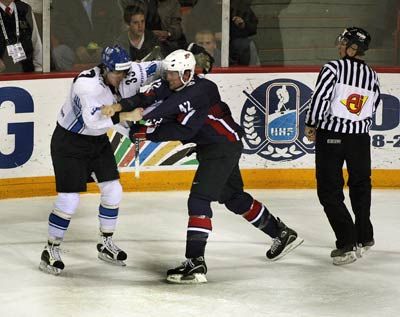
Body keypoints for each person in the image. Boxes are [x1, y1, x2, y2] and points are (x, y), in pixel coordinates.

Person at [108, 49, 303, 284]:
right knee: (233, 197)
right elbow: (147, 97)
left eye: (173, 74)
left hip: (221, 148)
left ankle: (195, 262)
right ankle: (281, 233)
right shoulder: (173, 84)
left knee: (199, 200)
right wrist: (121, 108)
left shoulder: (203, 90)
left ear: (188, 73)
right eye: (168, 73)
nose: (168, 77)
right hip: (218, 147)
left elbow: (180, 125)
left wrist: (143, 126)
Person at [39, 45, 146, 276]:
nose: (122, 78)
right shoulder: (86, 85)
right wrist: (127, 115)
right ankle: (51, 249)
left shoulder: (121, 76)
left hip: (97, 143)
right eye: (118, 73)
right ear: (105, 68)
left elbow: (154, 68)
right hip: (69, 143)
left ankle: (105, 244)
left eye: (125, 72)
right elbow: (93, 122)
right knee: (68, 201)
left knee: (114, 191)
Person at [304, 27, 381, 266]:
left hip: (331, 136)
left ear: (353, 48)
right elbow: (375, 103)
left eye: (344, 42)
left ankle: (347, 242)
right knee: (360, 185)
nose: (340, 45)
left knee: (329, 190)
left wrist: (311, 124)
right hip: (360, 139)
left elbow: (320, 98)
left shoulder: (333, 68)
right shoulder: (371, 74)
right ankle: (364, 236)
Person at [50, 0, 123, 70]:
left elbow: (115, 25)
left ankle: (108, 77)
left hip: (105, 47)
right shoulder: (61, 2)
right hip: (76, 49)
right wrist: (77, 47)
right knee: (60, 52)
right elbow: (60, 26)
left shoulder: (110, 2)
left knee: (121, 48)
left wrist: (105, 48)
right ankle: (76, 79)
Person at [0, 0, 42, 73]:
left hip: (27, 72)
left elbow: (36, 41)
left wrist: (39, 68)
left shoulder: (25, 9)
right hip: (3, 76)